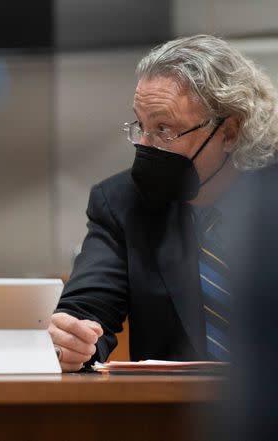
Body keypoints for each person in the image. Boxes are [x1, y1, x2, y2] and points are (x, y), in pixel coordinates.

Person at [49, 34, 278, 372]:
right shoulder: (122, 203)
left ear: (230, 132)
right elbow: (86, 309)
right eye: (142, 126)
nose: (145, 145)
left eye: (164, 129)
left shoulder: (269, 197)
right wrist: (72, 339)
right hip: (169, 416)